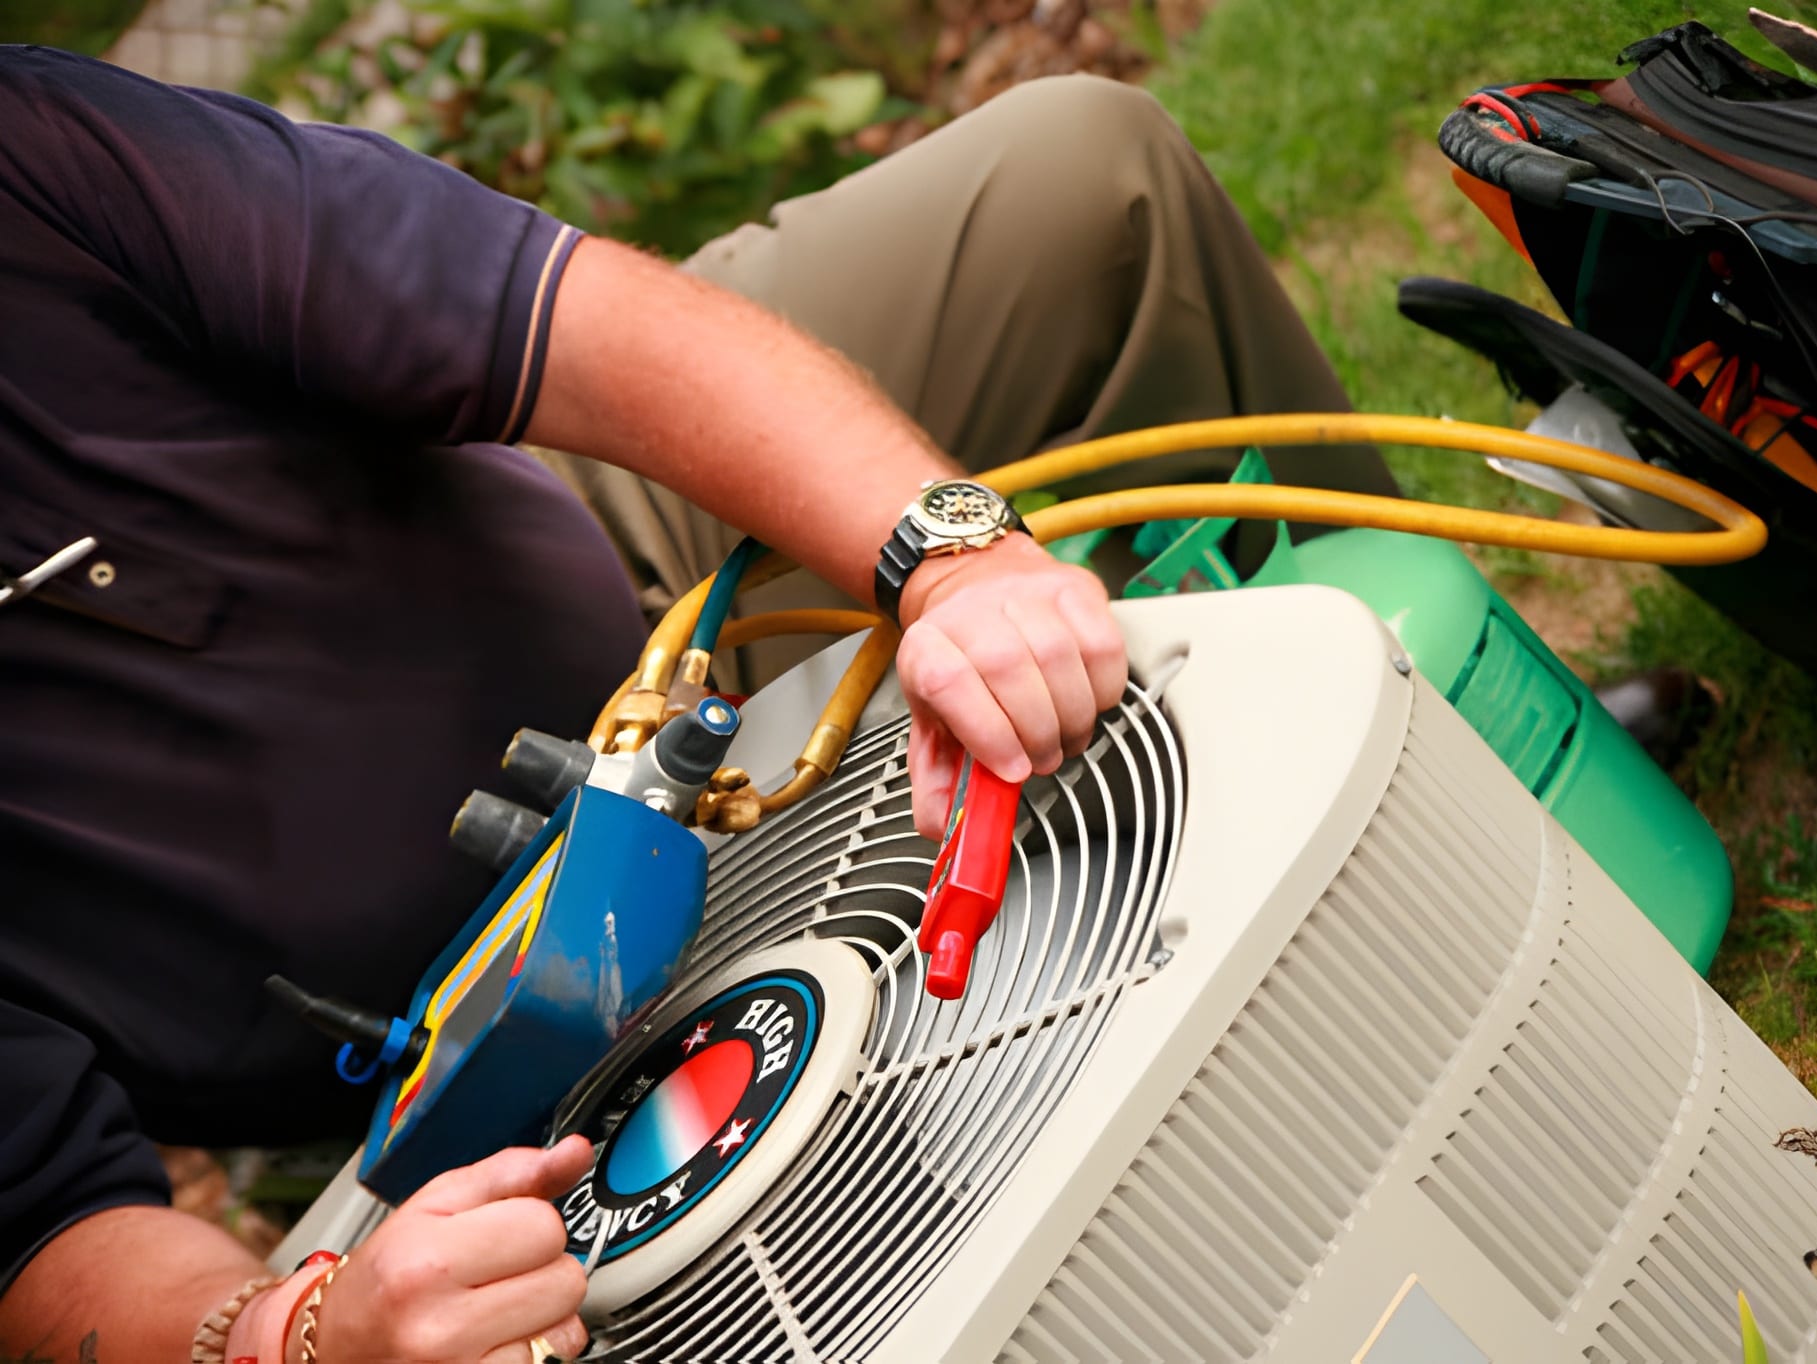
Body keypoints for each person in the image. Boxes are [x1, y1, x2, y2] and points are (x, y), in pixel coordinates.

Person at [0, 44, 1396, 1364]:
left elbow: (560, 315)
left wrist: (953, 556)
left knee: (1085, 178)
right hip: (455, 1055)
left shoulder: (29, 150)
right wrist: (296, 1332)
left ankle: (1457, 734)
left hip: (622, 564)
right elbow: (43, 1227)